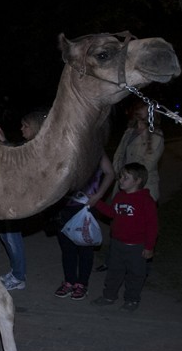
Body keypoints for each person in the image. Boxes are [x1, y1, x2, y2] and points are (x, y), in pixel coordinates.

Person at [96, 100, 164, 271]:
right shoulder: (129, 132)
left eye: (143, 110)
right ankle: (113, 260)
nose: (139, 113)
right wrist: (119, 174)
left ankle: (140, 261)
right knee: (118, 222)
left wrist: (131, 178)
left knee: (140, 224)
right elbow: (119, 154)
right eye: (137, 109)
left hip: (142, 185)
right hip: (124, 183)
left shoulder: (156, 135)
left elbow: (147, 164)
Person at [0, 110, 48, 290]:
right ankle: (15, 272)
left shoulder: (39, 147)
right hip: (13, 197)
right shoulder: (27, 144)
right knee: (6, 235)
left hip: (22, 199)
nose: (22, 129)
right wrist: (3, 139)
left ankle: (19, 277)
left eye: (25, 126)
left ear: (36, 128)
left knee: (12, 236)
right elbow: (14, 155)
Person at [91, 163, 158, 311]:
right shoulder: (119, 196)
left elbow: (152, 226)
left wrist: (149, 247)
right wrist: (96, 203)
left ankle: (132, 299)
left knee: (136, 275)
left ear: (138, 180)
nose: (121, 180)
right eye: (120, 177)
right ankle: (109, 296)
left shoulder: (146, 201)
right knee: (114, 272)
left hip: (137, 247)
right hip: (117, 244)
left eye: (126, 178)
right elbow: (112, 214)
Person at [53, 153, 115, 300]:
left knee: (85, 247)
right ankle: (69, 281)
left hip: (85, 207)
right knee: (67, 248)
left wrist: (98, 195)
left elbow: (110, 173)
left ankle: (82, 284)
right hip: (65, 206)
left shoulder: (96, 150)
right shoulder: (69, 147)